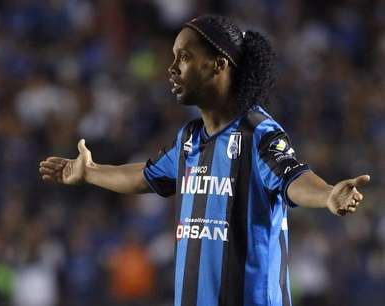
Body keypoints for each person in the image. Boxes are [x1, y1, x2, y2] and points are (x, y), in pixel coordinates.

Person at [39, 15, 370, 306]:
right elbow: (144, 176)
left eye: (183, 57)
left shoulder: (259, 133)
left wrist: (327, 194)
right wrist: (91, 172)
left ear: (218, 64)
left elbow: (293, 178)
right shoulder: (190, 138)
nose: (171, 68)